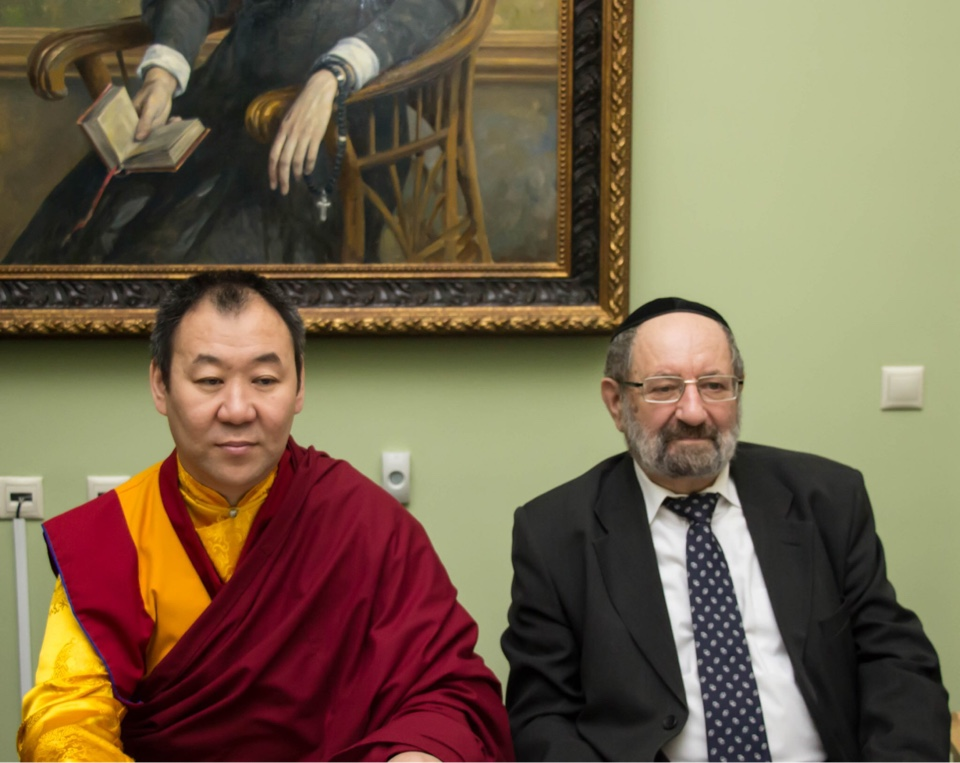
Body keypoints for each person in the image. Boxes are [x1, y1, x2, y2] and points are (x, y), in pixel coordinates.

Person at [18, 269, 514, 762]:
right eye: (210, 380)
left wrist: (417, 754)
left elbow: (448, 693)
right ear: (160, 385)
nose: (238, 409)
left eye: (264, 380)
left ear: (298, 387)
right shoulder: (111, 535)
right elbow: (63, 719)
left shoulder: (364, 523)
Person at [501, 296, 949, 761]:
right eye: (664, 388)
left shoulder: (827, 500)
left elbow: (896, 661)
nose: (694, 412)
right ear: (617, 402)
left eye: (715, 386)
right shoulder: (554, 533)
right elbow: (542, 716)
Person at [4, 0, 462, 265]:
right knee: (94, 239)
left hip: (340, 127)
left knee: (203, 261)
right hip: (226, 98)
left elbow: (433, 6)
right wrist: (163, 74)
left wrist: (333, 76)